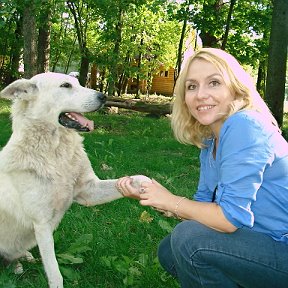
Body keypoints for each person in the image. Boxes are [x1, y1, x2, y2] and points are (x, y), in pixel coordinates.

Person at [116, 48, 288, 288]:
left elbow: (228, 219)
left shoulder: (245, 125)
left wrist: (169, 200)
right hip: (261, 241)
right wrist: (154, 196)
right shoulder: (210, 141)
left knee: (189, 241)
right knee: (170, 250)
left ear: (235, 89)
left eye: (214, 83)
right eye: (191, 86)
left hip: (282, 247)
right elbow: (202, 209)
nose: (200, 95)